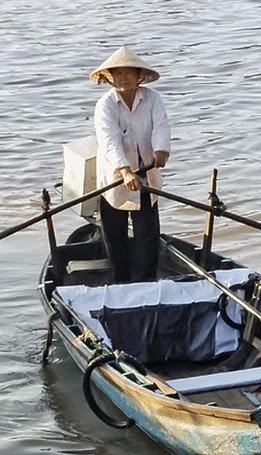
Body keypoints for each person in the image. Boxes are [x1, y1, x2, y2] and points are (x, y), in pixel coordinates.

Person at [91, 46, 171, 283]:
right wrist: (125, 170)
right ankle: (121, 283)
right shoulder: (105, 105)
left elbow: (161, 127)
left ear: (139, 76)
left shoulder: (152, 99)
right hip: (115, 178)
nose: (123, 78)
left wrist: (160, 151)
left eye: (128, 73)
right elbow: (109, 140)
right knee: (115, 237)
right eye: (118, 73)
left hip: (146, 175)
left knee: (148, 236)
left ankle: (145, 283)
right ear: (111, 78)